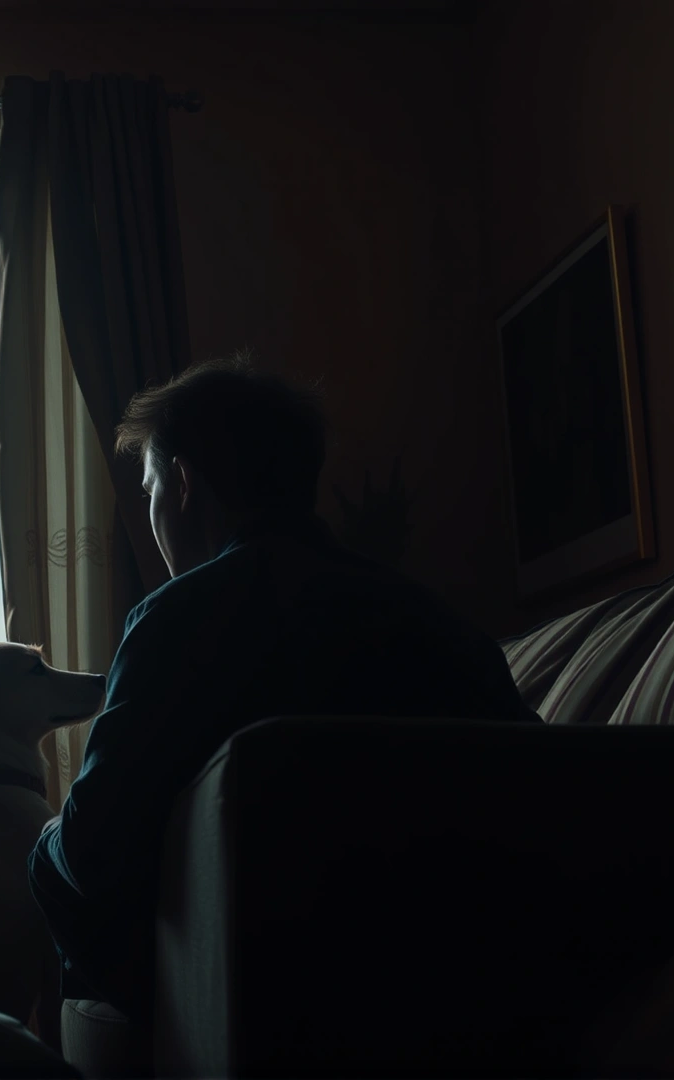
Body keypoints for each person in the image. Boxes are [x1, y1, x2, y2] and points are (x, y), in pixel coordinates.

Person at [29, 356, 538, 1073]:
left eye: (148, 490)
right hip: (451, 977)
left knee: (52, 858)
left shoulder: (175, 619)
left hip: (251, 975)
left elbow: (93, 854)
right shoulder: (434, 619)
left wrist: (48, 839)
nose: (151, 516)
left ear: (180, 484)